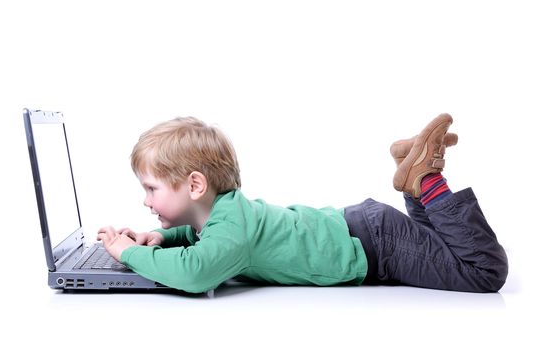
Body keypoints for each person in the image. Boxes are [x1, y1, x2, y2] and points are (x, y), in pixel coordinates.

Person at [97, 113, 508, 294]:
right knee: (449, 250)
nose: (145, 199)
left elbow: (197, 271)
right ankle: (414, 176)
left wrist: (131, 253)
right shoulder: (225, 215)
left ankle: (426, 180)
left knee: (484, 272)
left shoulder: (232, 232)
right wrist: (161, 238)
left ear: (195, 185)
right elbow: (199, 238)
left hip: (376, 248)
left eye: (151, 189)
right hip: (366, 230)